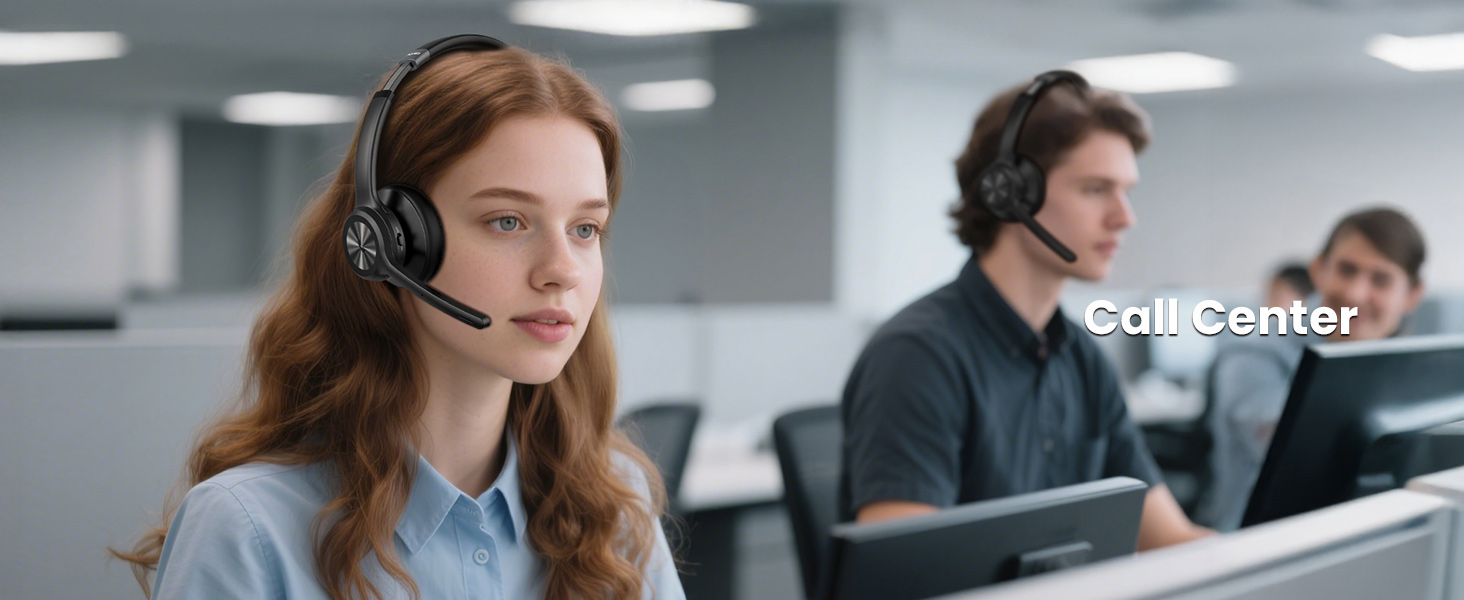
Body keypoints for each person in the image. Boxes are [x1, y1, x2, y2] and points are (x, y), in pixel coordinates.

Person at [112, 38, 684, 600]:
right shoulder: (248, 531)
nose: (562, 270)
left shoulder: (611, 509)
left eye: (585, 229)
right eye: (508, 221)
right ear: (394, 242)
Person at [839, 75, 1212, 551]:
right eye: (1096, 189)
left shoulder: (1081, 357)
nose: (1125, 217)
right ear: (1011, 195)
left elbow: (1171, 540)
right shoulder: (919, 357)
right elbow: (903, 570)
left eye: (1125, 191)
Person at [1200, 207, 1426, 531]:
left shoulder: (1408, 363)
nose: (1355, 294)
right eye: (1346, 270)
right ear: (1319, 270)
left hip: (1367, 536)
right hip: (1257, 544)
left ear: (1412, 295)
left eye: (1381, 280)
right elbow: (1297, 455)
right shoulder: (1255, 344)